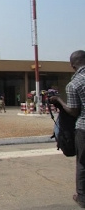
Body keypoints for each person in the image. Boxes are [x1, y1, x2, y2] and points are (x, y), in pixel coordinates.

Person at [49, 50, 85, 208]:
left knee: (83, 162)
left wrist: (59, 101)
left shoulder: (74, 84)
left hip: (83, 128)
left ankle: (82, 197)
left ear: (73, 66)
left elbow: (73, 111)